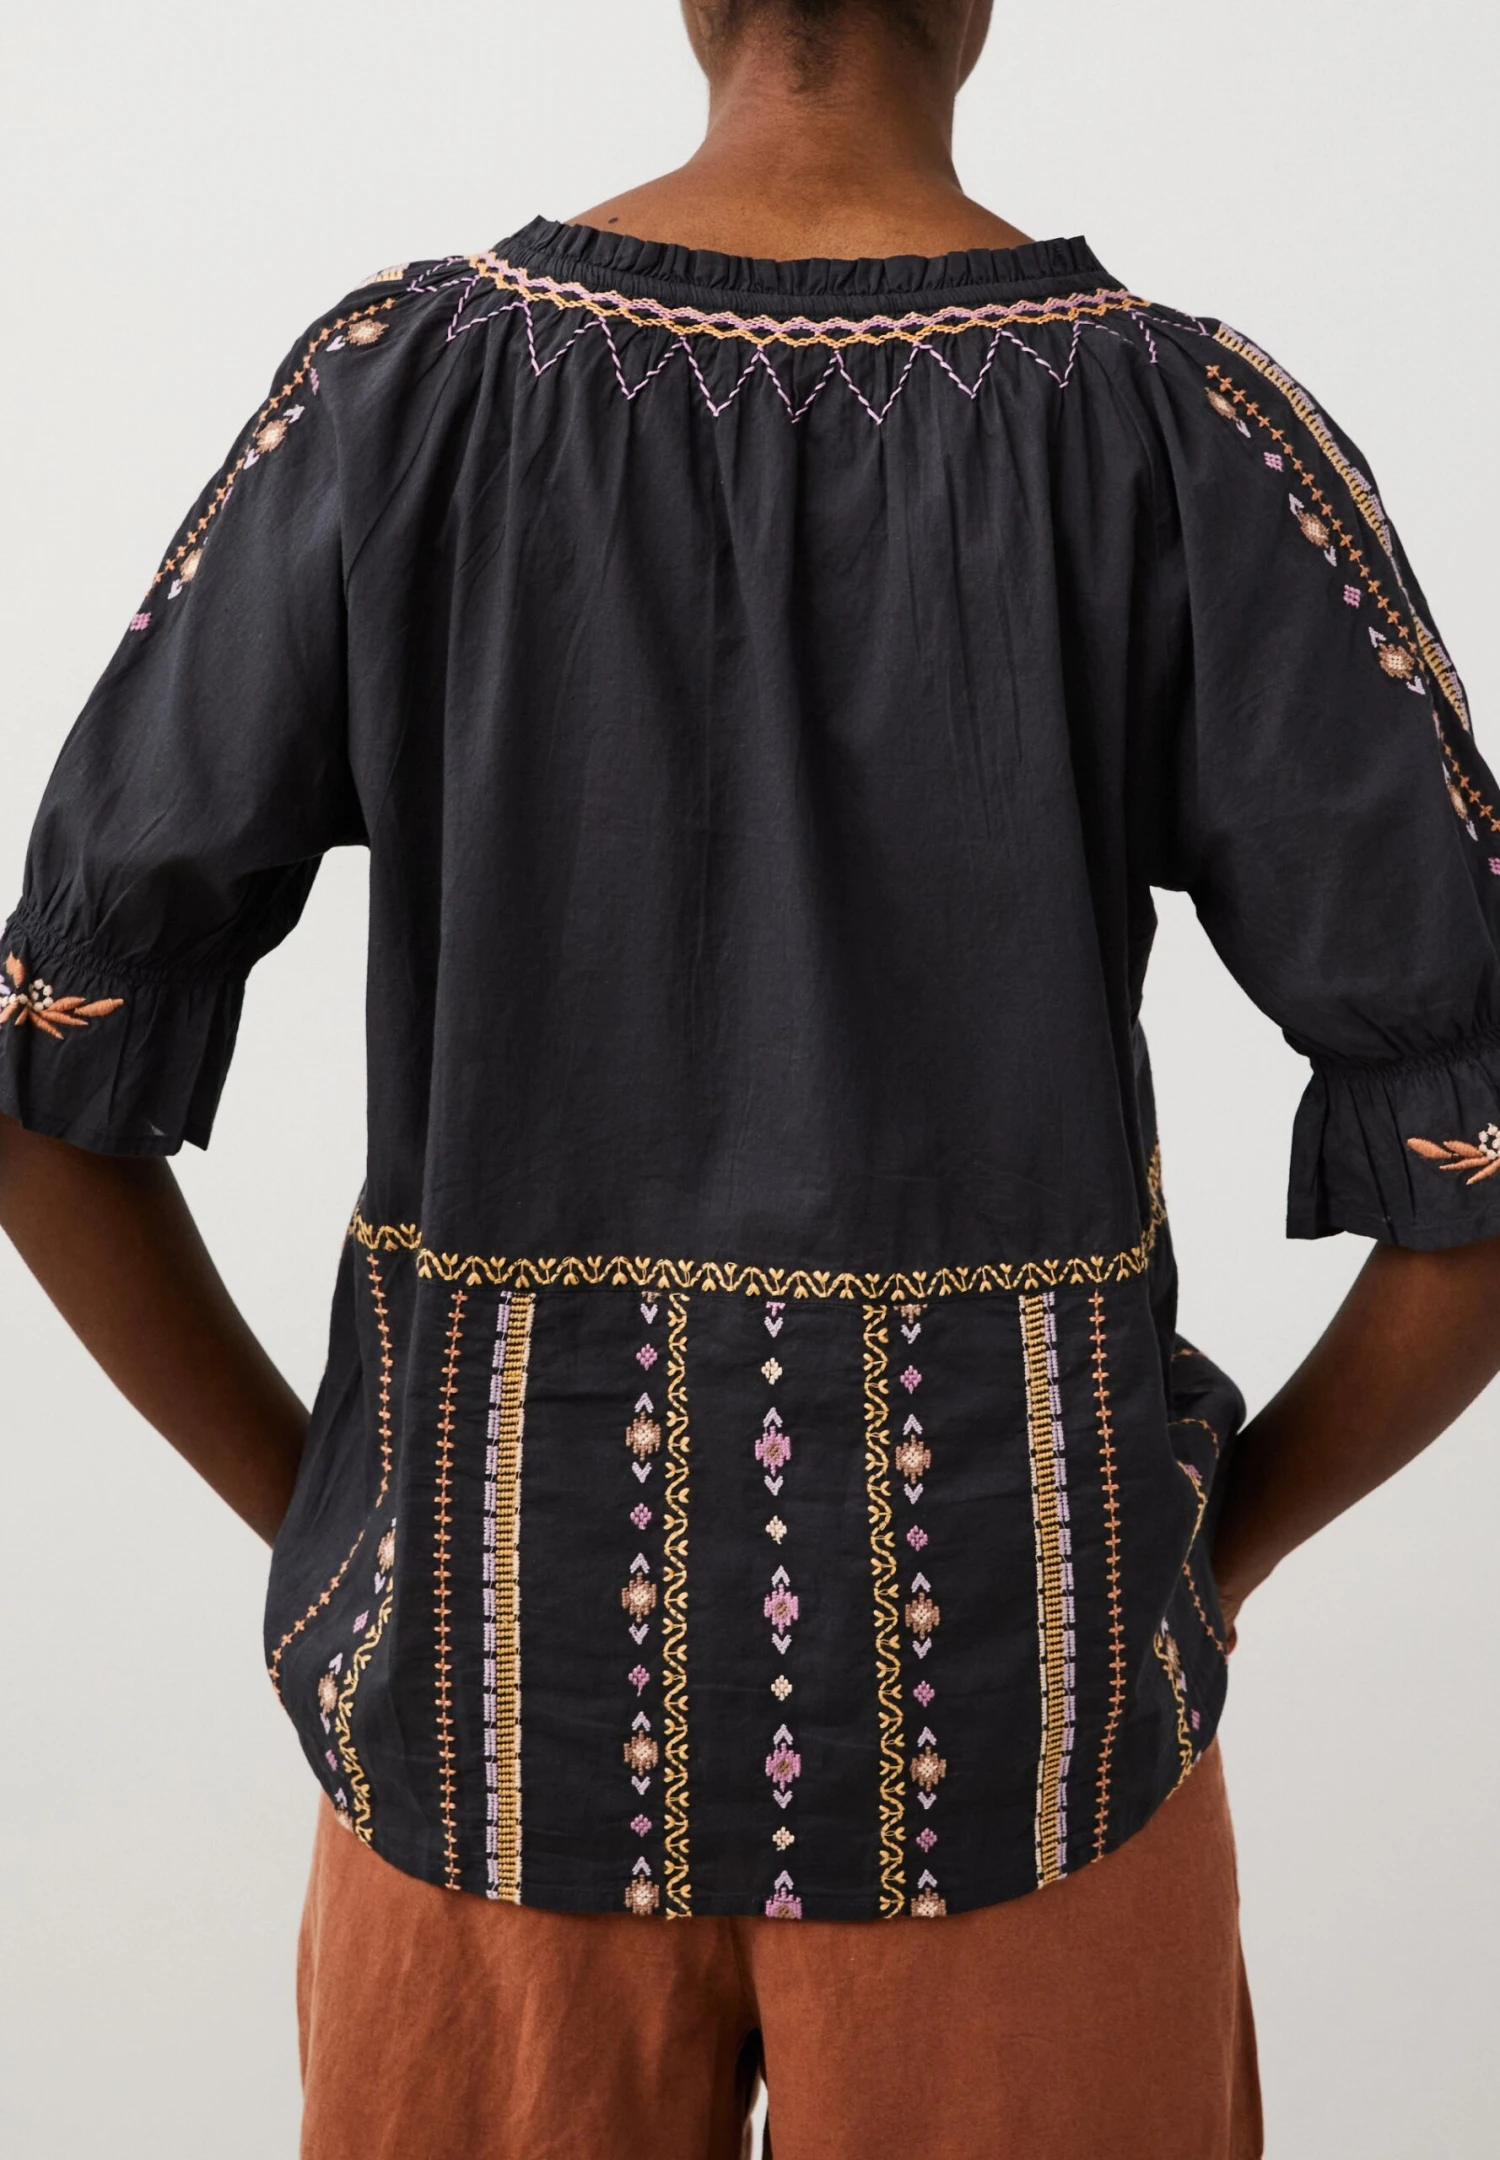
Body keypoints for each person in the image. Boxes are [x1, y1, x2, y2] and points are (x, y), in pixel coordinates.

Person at [3, 1, 1497, 2153]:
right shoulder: (1183, 434)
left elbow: (46, 1070)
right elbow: (1480, 1146)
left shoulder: (393, 395)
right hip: (1028, 1735)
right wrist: (1195, 1564)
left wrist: (361, 1529)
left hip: (483, 1750)